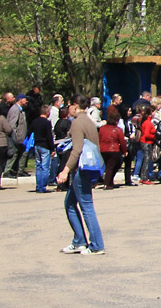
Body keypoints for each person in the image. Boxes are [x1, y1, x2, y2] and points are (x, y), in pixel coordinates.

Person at [56, 99, 104, 255]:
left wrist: (65, 170)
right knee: (69, 203)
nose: (68, 108)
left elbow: (77, 149)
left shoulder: (77, 123)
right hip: (89, 168)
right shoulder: (89, 121)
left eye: (69, 105)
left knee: (86, 206)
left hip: (80, 169)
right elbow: (95, 146)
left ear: (75, 106)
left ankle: (96, 245)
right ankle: (79, 241)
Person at [31, 107, 56, 193]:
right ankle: (43, 186)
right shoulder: (47, 123)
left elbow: (30, 132)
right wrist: (52, 148)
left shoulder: (34, 121)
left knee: (38, 166)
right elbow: (49, 136)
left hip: (36, 145)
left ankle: (38, 185)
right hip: (45, 146)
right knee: (45, 167)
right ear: (47, 112)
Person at [99, 106, 125, 189]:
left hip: (103, 149)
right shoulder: (118, 130)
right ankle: (107, 183)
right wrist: (124, 151)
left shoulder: (102, 129)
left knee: (108, 166)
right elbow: (122, 141)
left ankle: (109, 182)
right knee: (112, 166)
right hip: (114, 149)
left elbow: (99, 138)